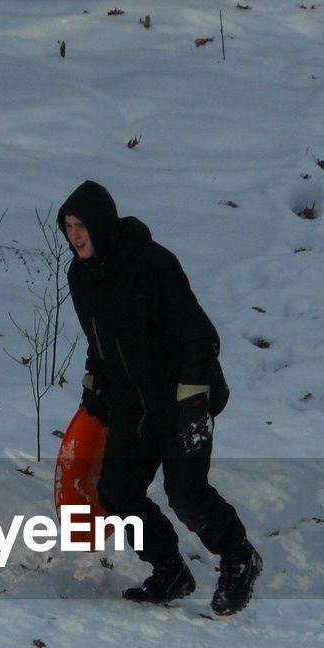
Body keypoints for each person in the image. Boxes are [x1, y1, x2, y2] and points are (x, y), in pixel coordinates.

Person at [57, 180, 262, 615]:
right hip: (132, 403)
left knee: (186, 493)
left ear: (103, 225)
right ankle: (169, 569)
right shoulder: (81, 276)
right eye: (69, 226)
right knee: (117, 491)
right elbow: (99, 341)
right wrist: (95, 381)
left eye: (83, 226)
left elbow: (198, 336)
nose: (76, 235)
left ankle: (239, 559)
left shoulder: (154, 264)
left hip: (184, 397)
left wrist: (193, 400)